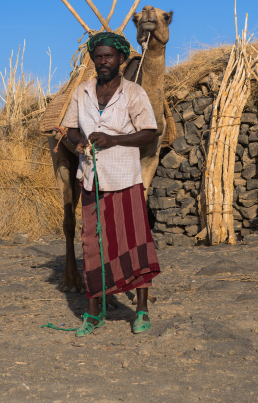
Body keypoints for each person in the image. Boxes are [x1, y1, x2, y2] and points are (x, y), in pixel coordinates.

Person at [62, 31, 161, 337]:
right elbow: (69, 130)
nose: (103, 61)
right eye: (98, 56)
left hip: (125, 179)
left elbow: (150, 132)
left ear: (121, 59)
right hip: (92, 180)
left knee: (134, 243)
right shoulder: (82, 93)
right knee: (93, 245)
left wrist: (113, 139)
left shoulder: (133, 93)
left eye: (109, 56)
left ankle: (141, 311)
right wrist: (78, 142)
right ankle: (93, 314)